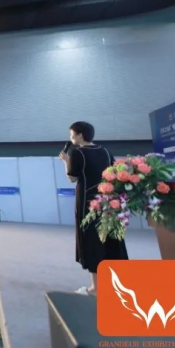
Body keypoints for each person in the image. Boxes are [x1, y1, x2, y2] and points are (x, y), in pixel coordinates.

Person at [59, 121, 129, 295]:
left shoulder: (78, 153)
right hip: (108, 201)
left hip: (88, 203)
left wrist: (66, 161)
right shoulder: (104, 151)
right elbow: (113, 173)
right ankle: (115, 285)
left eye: (72, 134)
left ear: (80, 135)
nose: (70, 138)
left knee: (92, 242)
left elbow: (72, 178)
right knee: (111, 241)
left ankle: (96, 288)